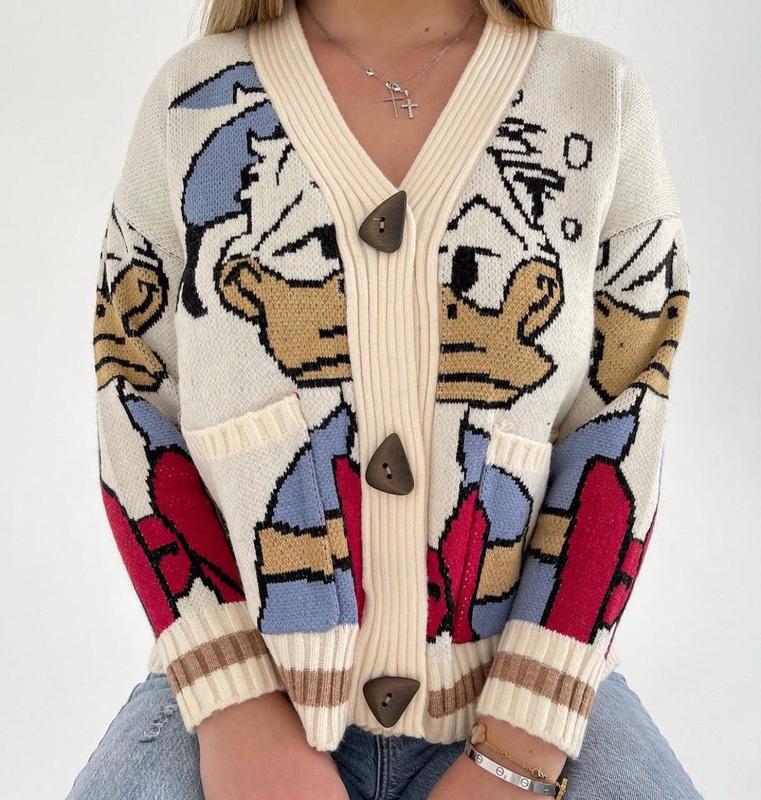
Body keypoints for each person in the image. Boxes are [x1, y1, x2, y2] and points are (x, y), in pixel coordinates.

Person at [71, 0, 703, 797]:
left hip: (530, 698)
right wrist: (239, 714)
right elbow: (133, 398)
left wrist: (515, 754)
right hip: (238, 694)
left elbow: (622, 419)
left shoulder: (594, 96)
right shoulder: (191, 100)